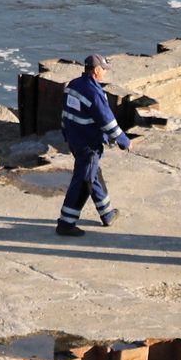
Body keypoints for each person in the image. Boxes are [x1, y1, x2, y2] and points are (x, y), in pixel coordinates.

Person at [56, 53, 130, 236]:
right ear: (96, 70)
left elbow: (65, 114)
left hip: (75, 141)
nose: (105, 73)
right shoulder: (94, 93)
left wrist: (66, 134)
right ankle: (66, 222)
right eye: (104, 70)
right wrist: (124, 141)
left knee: (93, 175)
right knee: (83, 181)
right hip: (89, 145)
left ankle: (107, 214)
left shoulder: (72, 86)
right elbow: (107, 121)